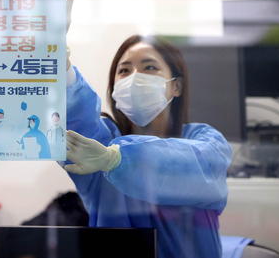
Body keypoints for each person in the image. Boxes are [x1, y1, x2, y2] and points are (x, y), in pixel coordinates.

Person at [64, 35, 232, 258]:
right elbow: (74, 121)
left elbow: (196, 168)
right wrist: (60, 68)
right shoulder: (101, 145)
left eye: (149, 67)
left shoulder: (205, 140)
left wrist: (117, 160)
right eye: (124, 71)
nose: (135, 78)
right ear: (114, 87)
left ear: (176, 86)